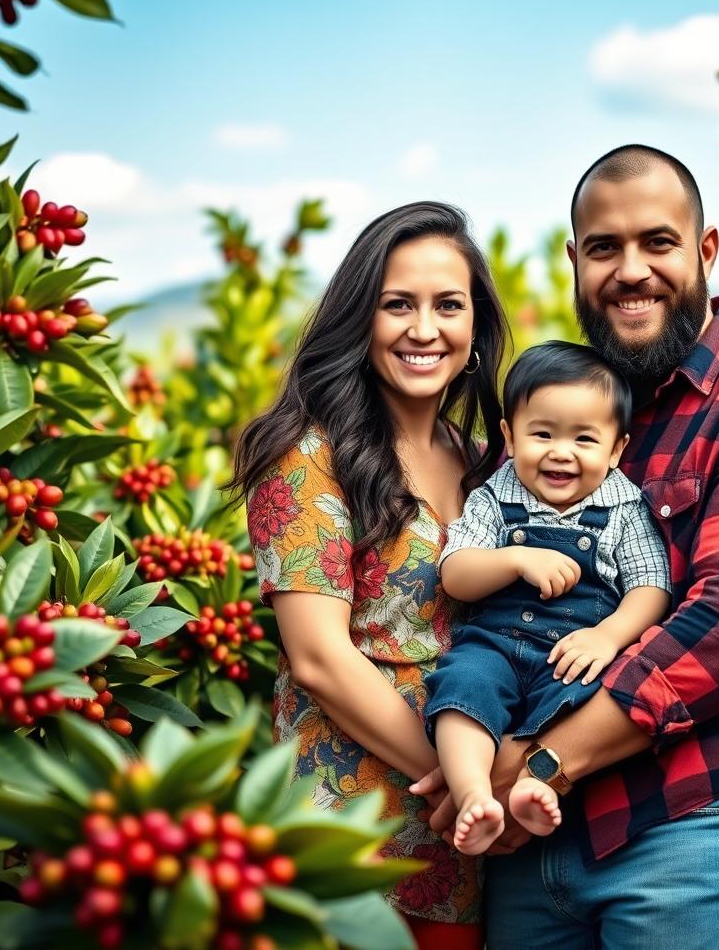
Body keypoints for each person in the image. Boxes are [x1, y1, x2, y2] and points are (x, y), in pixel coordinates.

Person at [413, 145, 719, 949]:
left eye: (658, 242)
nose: (632, 270)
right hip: (527, 849)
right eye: (605, 248)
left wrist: (537, 764)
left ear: (705, 251)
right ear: (575, 260)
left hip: (677, 827)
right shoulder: (564, 408)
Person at [233, 201, 509, 950]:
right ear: (360, 319)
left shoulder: (485, 459)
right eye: (397, 305)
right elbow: (319, 658)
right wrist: (460, 780)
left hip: (464, 841)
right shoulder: (307, 452)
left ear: (475, 328)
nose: (425, 329)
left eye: (448, 305)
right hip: (350, 829)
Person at [423, 341, 671, 854]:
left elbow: (651, 586)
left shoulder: (623, 505)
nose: (561, 452)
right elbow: (456, 574)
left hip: (572, 656)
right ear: (511, 438)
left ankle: (535, 786)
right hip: (495, 646)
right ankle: (474, 795)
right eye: (542, 434)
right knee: (461, 690)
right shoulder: (495, 496)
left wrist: (609, 635)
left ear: (616, 448)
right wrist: (514, 560)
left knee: (580, 703)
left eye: (584, 438)